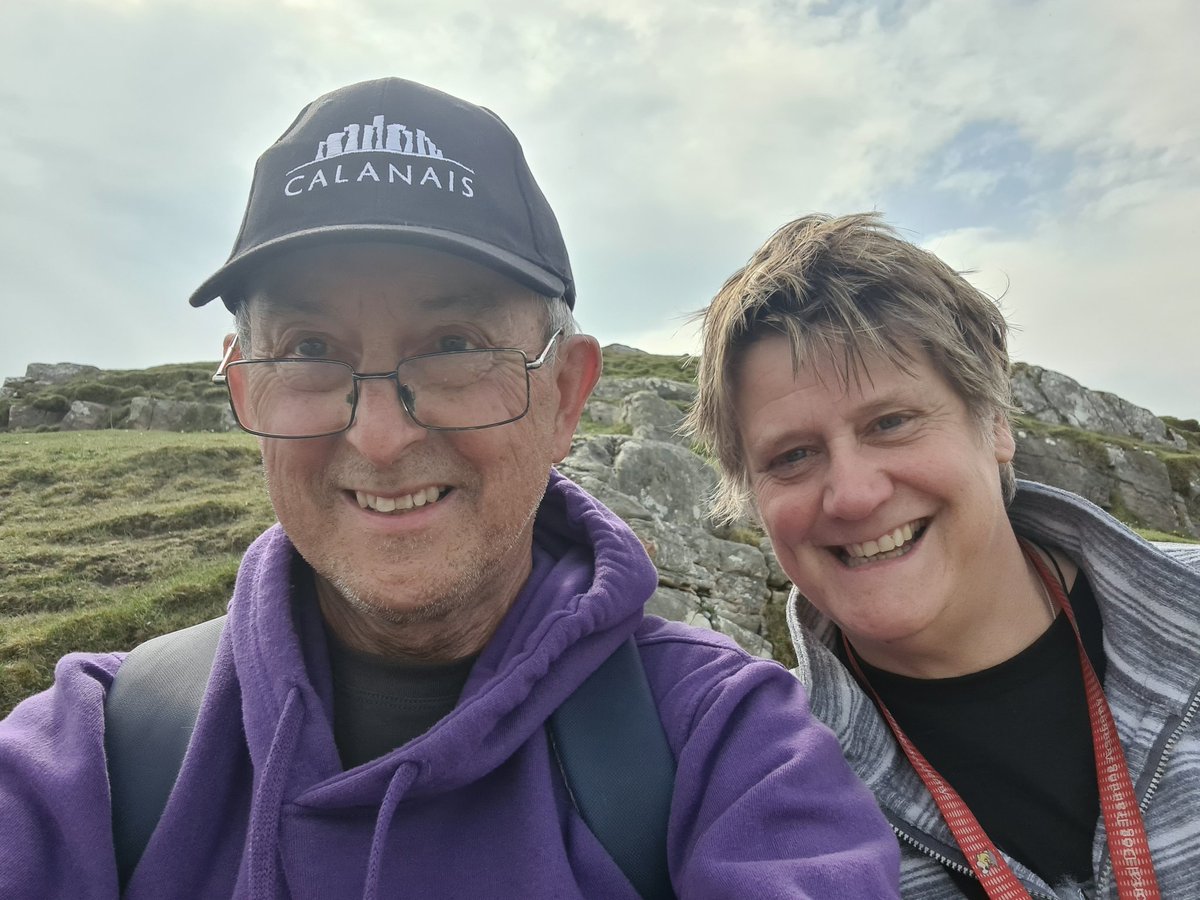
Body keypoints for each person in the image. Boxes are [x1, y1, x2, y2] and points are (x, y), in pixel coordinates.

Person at [0, 81, 901, 898]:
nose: (382, 438)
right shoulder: (98, 753)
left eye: (457, 344)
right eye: (310, 350)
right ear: (244, 388)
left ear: (566, 396)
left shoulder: (729, 747)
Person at [686, 210, 1200, 898]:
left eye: (890, 423)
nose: (854, 494)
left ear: (995, 424)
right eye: (794, 455)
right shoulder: (774, 803)